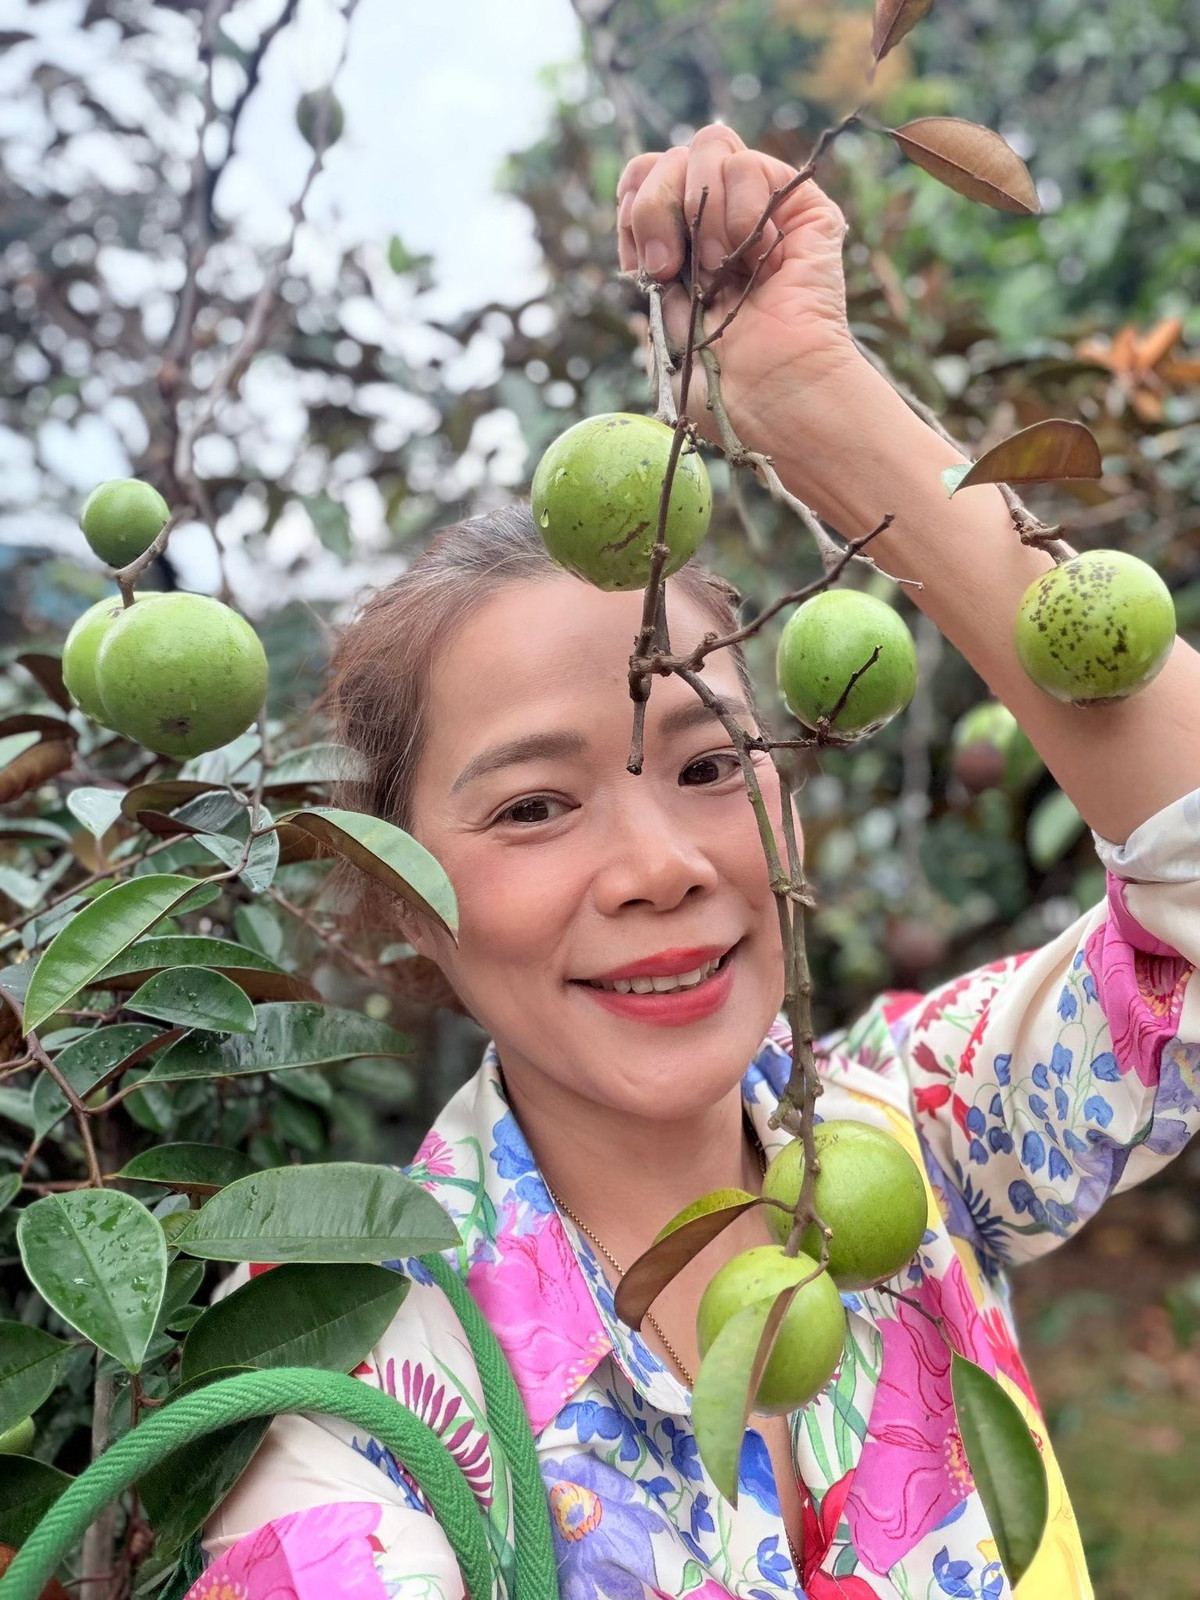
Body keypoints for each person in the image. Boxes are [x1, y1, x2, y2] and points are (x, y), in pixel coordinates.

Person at [188, 125, 1200, 1600]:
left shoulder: (917, 1132)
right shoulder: (351, 1359)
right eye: (534, 807)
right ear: (408, 900)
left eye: (712, 766)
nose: (661, 865)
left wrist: (810, 401)